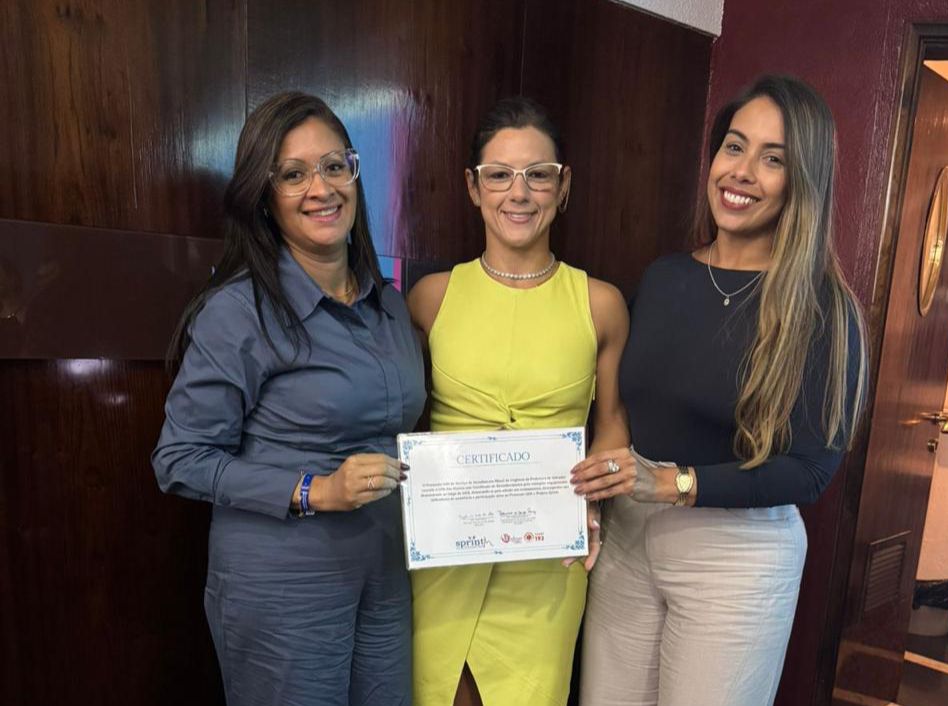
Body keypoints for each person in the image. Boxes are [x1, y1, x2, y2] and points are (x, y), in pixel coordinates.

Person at [571, 75, 868, 706]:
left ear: (802, 182)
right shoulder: (664, 277)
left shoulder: (822, 308)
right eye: (734, 147)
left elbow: (812, 470)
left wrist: (672, 483)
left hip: (737, 556)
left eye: (772, 159)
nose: (742, 173)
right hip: (628, 536)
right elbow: (620, 410)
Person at [152, 91, 426, 706]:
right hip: (282, 584)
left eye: (334, 166)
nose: (320, 188)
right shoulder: (238, 312)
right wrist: (314, 490)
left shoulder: (387, 305)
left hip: (384, 574)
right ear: (265, 197)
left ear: (354, 173)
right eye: (293, 174)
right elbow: (180, 460)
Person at [406, 96, 630, 706]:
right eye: (499, 175)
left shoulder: (600, 303)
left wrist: (596, 494)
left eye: (538, 174)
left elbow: (611, 425)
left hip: (547, 563)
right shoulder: (430, 297)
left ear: (564, 185)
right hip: (445, 555)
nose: (519, 192)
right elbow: (399, 414)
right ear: (473, 187)